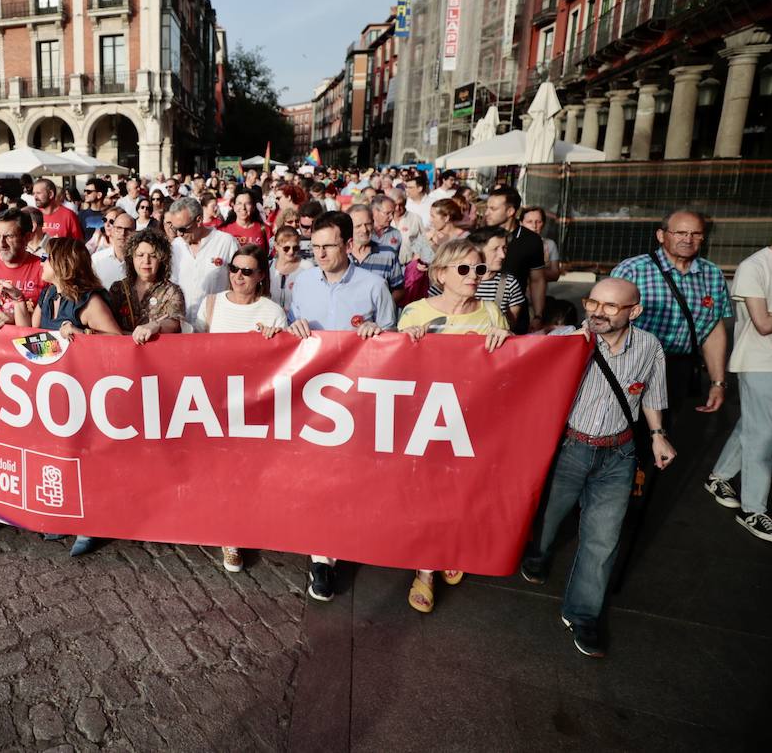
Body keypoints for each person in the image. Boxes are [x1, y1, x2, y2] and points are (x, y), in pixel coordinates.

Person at [521, 277, 673, 658]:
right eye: (593, 303)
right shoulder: (569, 340)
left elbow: (652, 393)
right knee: (549, 518)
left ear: (633, 312)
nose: (596, 312)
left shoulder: (649, 347)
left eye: (609, 306)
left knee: (603, 539)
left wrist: (657, 434)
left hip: (618, 455)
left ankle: (583, 615)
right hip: (570, 449)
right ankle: (537, 554)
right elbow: (519, 359)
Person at [396, 238, 511, 613]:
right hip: (426, 420)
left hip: (475, 420)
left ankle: (452, 546)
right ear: (441, 273)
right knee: (429, 493)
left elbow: (513, 369)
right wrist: (406, 343)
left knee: (465, 492)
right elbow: (395, 372)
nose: (474, 276)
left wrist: (507, 342)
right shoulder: (414, 312)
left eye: (479, 269)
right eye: (464, 269)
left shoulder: (492, 313)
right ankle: (426, 569)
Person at [286, 211, 397, 601]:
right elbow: (291, 326)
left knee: (348, 475)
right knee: (318, 474)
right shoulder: (300, 282)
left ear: (348, 245)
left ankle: (345, 540)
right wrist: (291, 329)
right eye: (314, 246)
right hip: (311, 397)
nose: (319, 253)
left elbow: (393, 336)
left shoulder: (373, 285)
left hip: (357, 398)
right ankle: (322, 558)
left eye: (327, 246)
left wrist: (377, 333)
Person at [703, 200, 772, 545]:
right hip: (760, 361)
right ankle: (753, 510)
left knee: (757, 425)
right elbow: (763, 324)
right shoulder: (754, 266)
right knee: (764, 436)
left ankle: (718, 477)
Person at [191, 243, 285, 573]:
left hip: (253, 403)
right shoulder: (211, 303)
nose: (238, 276)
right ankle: (224, 529)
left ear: (260, 276)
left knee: (244, 471)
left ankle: (238, 531)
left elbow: (283, 362)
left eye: (247, 271)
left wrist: (276, 339)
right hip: (212, 399)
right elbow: (192, 350)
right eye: (234, 269)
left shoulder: (272, 311)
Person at [31, 237, 123, 557]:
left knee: (89, 457)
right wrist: (14, 309)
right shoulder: (46, 295)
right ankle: (69, 514)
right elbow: (33, 340)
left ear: (62, 264)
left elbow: (118, 345)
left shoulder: (90, 301)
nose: (40, 262)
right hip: (55, 391)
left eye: (46, 257)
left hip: (88, 391)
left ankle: (93, 522)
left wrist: (84, 336)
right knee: (62, 455)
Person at [610, 209, 730, 416]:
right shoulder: (632, 270)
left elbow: (713, 330)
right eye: (680, 233)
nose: (688, 239)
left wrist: (717, 382)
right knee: (622, 430)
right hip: (633, 364)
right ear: (661, 235)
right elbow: (608, 322)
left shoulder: (713, 275)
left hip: (678, 369)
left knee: (664, 432)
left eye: (696, 234)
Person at [165, 196, 239, 325]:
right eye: (175, 229)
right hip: (182, 325)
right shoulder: (176, 246)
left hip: (216, 323)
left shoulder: (226, 242)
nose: (179, 234)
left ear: (199, 220)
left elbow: (238, 284)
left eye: (182, 229)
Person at [482, 186, 546, 333]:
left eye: (493, 209)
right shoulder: (479, 237)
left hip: (515, 316)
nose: (487, 213)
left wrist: (537, 316)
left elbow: (537, 280)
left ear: (510, 211)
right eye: (487, 208)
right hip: (480, 316)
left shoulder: (531, 240)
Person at [109, 227, 185, 344]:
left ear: (162, 260)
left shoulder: (171, 291)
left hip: (157, 356)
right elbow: (105, 322)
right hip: (123, 355)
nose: (146, 261)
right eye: (140, 255)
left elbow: (175, 323)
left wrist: (155, 326)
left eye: (153, 256)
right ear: (131, 258)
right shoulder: (118, 288)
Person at [455, 226, 527, 328]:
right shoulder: (453, 278)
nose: (503, 255)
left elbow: (510, 326)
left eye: (504, 248)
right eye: (495, 249)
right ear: (477, 250)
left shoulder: (509, 283)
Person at [344, 204, 403, 302]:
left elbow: (399, 289)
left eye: (368, 224)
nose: (364, 230)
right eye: (358, 226)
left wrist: (384, 307)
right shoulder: (341, 254)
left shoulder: (388, 254)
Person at [93, 210, 136, 288]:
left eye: (128, 230)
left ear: (135, 233)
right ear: (112, 231)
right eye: (119, 228)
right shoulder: (96, 259)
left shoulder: (142, 260)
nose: (123, 233)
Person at [268, 226, 307, 310]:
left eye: (295, 248)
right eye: (286, 248)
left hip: (297, 320)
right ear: (276, 246)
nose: (291, 252)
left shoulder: (307, 267)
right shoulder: (268, 267)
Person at [521, 206, 563, 282]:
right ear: (521, 223)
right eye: (529, 222)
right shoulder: (512, 244)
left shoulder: (550, 245)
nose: (534, 226)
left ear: (543, 224)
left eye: (538, 222)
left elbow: (555, 275)